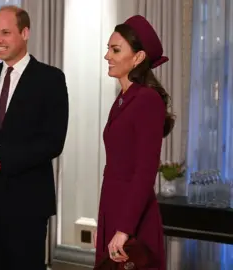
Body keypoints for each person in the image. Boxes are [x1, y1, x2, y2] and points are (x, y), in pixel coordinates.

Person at [0, 5, 69, 270]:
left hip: (28, 203)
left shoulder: (50, 79)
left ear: (25, 32)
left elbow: (52, 141)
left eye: (6, 32)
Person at [94, 15, 175, 270]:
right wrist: (105, 222)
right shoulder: (123, 98)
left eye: (115, 49)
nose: (107, 55)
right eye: (108, 48)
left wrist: (124, 228)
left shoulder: (147, 100)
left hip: (133, 218)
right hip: (113, 208)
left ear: (138, 58)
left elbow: (145, 172)